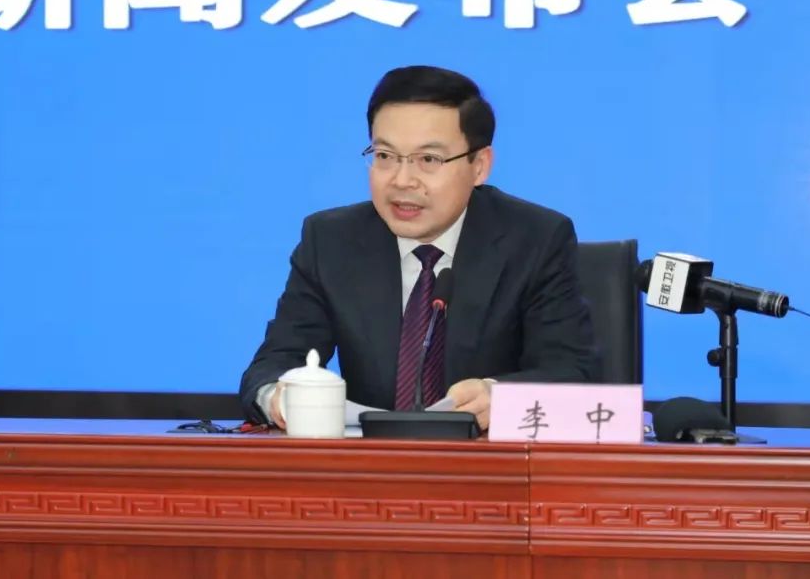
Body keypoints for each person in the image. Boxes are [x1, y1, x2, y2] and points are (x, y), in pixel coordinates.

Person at [239, 65, 597, 430]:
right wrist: (279, 398)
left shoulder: (536, 238)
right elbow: (272, 366)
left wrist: (500, 397)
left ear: (479, 166)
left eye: (428, 160)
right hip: (370, 463)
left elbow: (573, 372)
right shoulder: (331, 240)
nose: (402, 180)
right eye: (384, 156)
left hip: (487, 461)